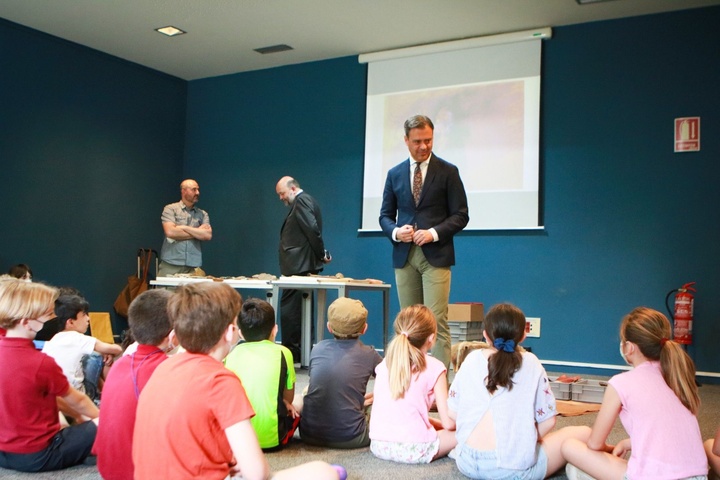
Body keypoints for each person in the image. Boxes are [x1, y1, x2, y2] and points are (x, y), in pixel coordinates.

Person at [132, 282, 344, 480]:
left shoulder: (162, 368)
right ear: (232, 333)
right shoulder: (221, 381)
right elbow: (257, 473)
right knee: (324, 471)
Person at [561, 307, 708, 480]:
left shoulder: (621, 383)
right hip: (698, 476)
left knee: (570, 448)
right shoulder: (678, 379)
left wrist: (607, 450)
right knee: (577, 468)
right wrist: (629, 443)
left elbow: (594, 444)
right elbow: (669, 431)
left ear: (629, 347)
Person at [448, 303, 587, 479]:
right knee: (583, 432)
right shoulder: (531, 363)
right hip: (511, 472)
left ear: (485, 335)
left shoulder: (470, 360)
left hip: (466, 462)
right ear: (523, 335)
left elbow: (453, 413)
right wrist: (524, 442)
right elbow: (548, 422)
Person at [379, 114, 469, 369]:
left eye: (428, 140)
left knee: (435, 321)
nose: (424, 146)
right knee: (408, 323)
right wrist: (397, 232)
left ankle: (438, 384)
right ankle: (407, 378)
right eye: (418, 141)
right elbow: (385, 216)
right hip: (404, 255)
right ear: (406, 140)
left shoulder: (448, 171)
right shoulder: (394, 173)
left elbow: (461, 215)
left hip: (436, 254)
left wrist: (433, 233)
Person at [0, 279, 99, 472]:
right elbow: (78, 400)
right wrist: (101, 420)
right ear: (27, 322)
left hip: (5, 455)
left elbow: (48, 397)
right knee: (107, 420)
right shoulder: (40, 363)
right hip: (39, 455)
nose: (53, 319)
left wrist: (77, 416)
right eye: (48, 315)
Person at [94, 289, 175, 480]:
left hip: (108, 470)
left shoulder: (120, 364)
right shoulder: (167, 370)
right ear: (173, 334)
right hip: (143, 472)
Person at [369, 304, 456, 463]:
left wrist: (434, 424)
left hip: (378, 446)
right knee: (466, 431)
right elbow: (449, 424)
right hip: (415, 449)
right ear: (431, 338)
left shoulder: (383, 365)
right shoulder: (436, 367)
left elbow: (402, 412)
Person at [299, 297, 383, 448]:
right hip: (354, 438)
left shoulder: (317, 348)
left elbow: (328, 385)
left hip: (308, 434)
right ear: (364, 328)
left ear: (329, 327)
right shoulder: (370, 354)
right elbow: (392, 383)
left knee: (306, 392)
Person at [224, 298, 299, 451]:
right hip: (273, 441)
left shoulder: (230, 355)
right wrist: (285, 402)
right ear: (275, 330)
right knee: (300, 402)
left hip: (235, 443)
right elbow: (289, 398)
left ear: (240, 333)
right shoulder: (284, 353)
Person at [276, 175, 331, 362]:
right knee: (298, 310)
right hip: (299, 265)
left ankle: (293, 353)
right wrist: (321, 253)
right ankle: (299, 352)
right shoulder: (304, 201)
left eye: (282, 193)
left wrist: (320, 255)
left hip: (297, 267)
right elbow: (311, 231)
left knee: (291, 312)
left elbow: (312, 230)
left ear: (292, 189)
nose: (281, 197)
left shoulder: (302, 200)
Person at [42, 294, 122, 403]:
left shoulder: (54, 339)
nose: (88, 319)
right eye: (84, 315)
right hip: (76, 398)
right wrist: (107, 351)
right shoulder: (79, 338)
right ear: (70, 322)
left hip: (54, 397)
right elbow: (117, 349)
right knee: (97, 357)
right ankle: (113, 396)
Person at [159, 178, 212, 276]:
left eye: (198, 189)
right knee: (166, 292)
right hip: (171, 264)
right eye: (194, 189)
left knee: (191, 292)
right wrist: (197, 232)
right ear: (183, 191)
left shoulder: (202, 214)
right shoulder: (170, 209)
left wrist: (184, 228)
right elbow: (170, 232)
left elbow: (207, 235)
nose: (198, 192)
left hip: (193, 267)